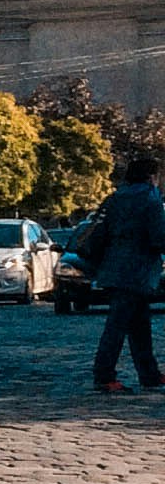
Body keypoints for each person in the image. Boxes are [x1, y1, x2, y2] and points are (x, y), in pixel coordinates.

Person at [74, 152, 165, 394]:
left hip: (114, 268)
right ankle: (105, 375)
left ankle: (150, 374)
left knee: (139, 325)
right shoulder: (150, 198)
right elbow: (157, 237)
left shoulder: (116, 197)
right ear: (152, 176)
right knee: (118, 326)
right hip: (137, 270)